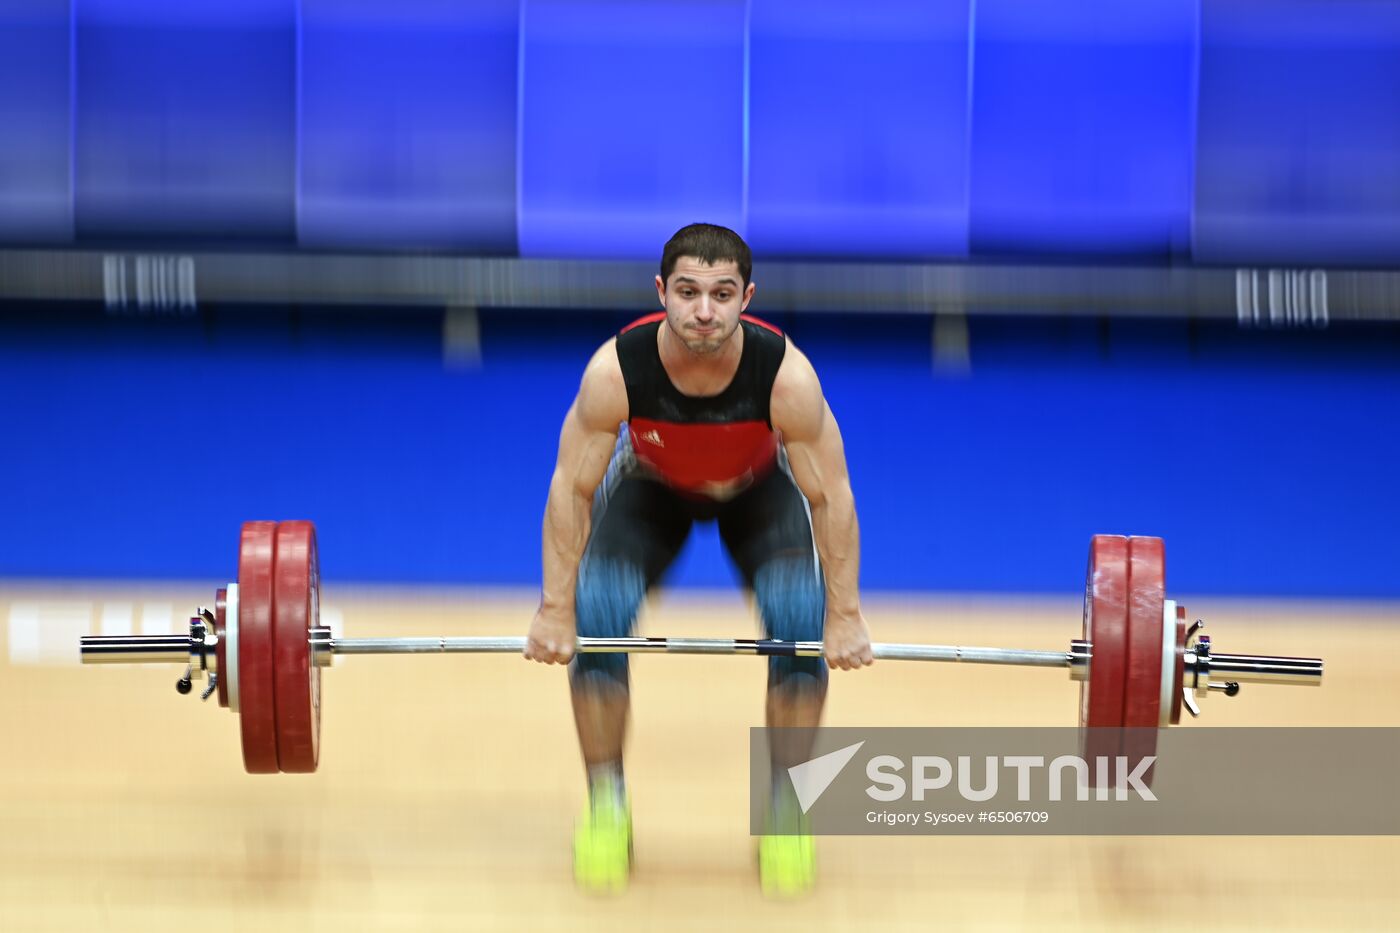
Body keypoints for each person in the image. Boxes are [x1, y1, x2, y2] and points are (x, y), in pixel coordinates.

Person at [523, 222, 873, 896]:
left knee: (801, 611)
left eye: (721, 293)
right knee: (597, 606)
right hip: (654, 487)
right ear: (662, 291)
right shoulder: (616, 370)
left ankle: (785, 808)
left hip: (756, 491)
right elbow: (572, 487)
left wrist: (846, 614)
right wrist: (555, 607)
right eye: (687, 291)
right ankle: (607, 804)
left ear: (747, 296)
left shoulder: (787, 377)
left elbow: (830, 497)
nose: (704, 311)